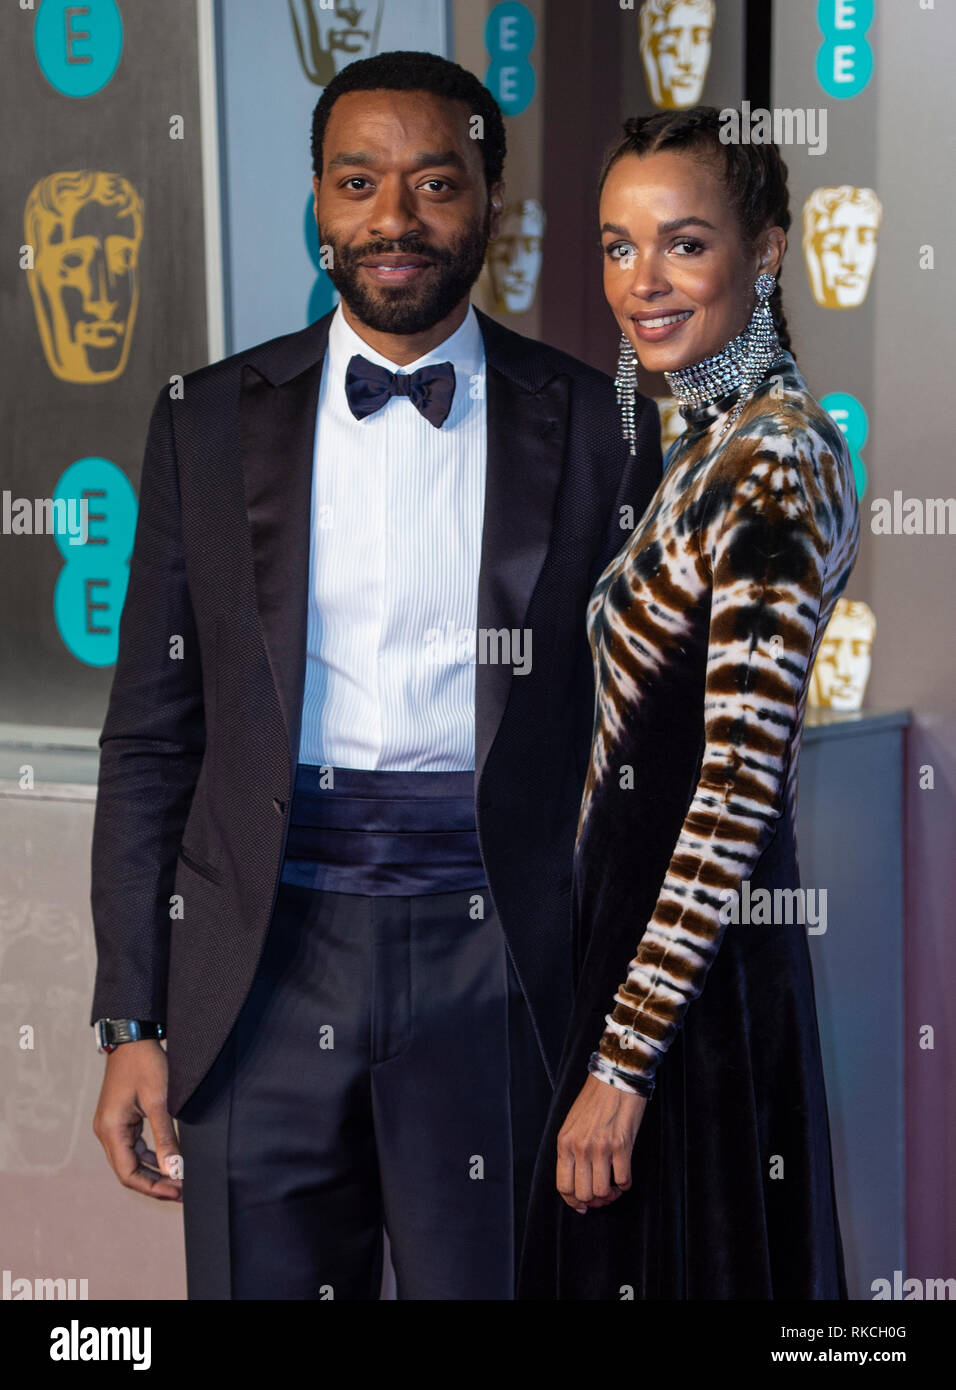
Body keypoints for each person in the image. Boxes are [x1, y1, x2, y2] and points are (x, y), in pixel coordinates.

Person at [88, 51, 662, 1300]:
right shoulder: (202, 418)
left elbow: (646, 756)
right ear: (316, 203)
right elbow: (149, 739)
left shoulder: (604, 427)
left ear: (491, 206)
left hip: (497, 963)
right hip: (259, 966)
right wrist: (131, 1017)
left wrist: (623, 1044)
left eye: (434, 183)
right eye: (358, 182)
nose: (393, 219)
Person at [517, 106, 858, 1300]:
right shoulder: (700, 448)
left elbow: (733, 784)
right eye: (616, 246)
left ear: (764, 253)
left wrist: (622, 1059)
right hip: (653, 975)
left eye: (683, 244)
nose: (640, 282)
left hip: (685, 1008)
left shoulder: (771, 455)